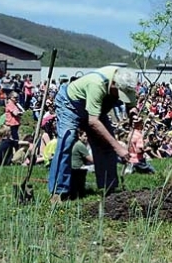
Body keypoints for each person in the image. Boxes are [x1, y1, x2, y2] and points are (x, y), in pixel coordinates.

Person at [48, 66, 138, 200]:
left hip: (95, 109)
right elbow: (93, 122)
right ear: (113, 84)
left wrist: (133, 114)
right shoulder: (97, 84)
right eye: (119, 93)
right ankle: (58, 192)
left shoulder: (125, 81)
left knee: (106, 145)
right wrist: (118, 147)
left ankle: (110, 190)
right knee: (66, 141)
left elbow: (131, 105)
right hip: (71, 105)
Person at [70, 129, 94, 199]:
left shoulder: (77, 144)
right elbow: (91, 160)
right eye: (85, 136)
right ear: (79, 136)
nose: (87, 138)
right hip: (78, 168)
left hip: (74, 168)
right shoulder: (80, 145)